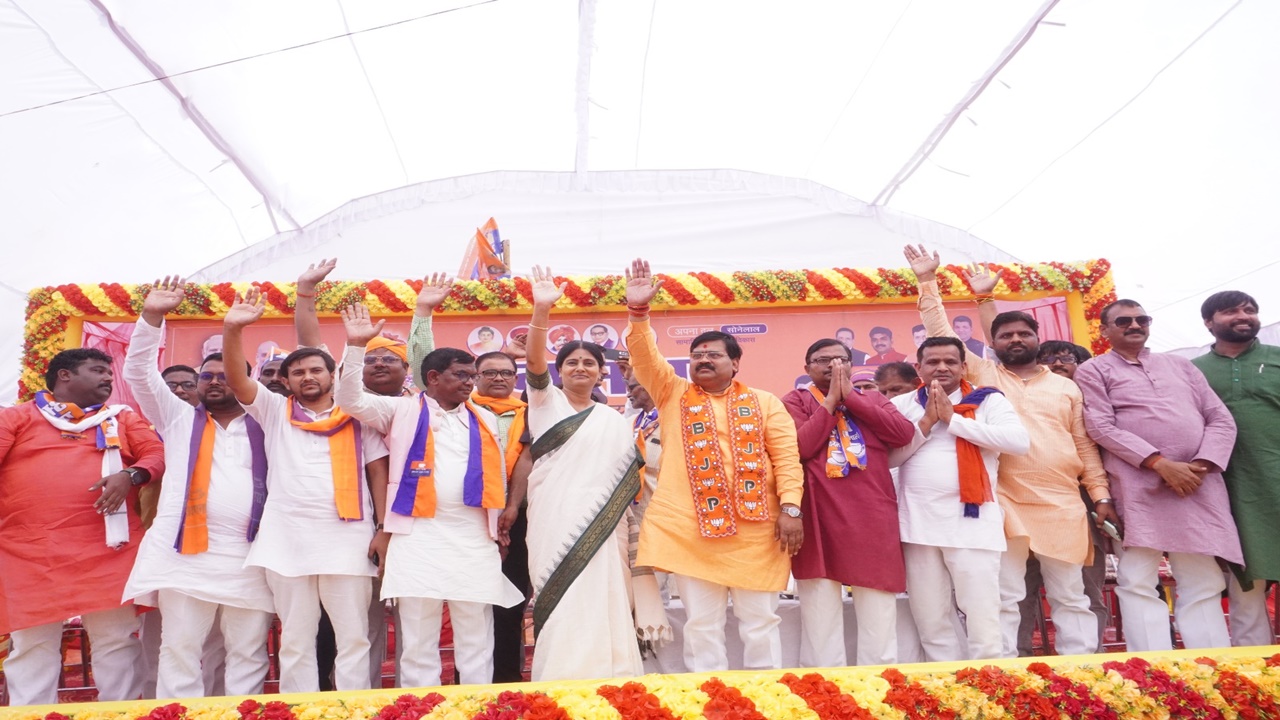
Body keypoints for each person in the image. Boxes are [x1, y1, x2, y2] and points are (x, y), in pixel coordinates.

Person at [905, 245, 1114, 658]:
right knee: (1005, 595)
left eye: (1024, 334)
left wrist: (1101, 494)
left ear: (1038, 339)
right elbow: (940, 333)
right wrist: (927, 281)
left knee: (1071, 594)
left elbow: (1084, 446)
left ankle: (1080, 671)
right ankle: (1006, 671)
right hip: (1005, 500)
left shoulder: (1066, 386)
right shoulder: (986, 375)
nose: (1016, 340)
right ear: (993, 344)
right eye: (1006, 336)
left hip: (1061, 501)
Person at [625, 258, 804, 672]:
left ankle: (767, 694)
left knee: (760, 622)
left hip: (756, 534)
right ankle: (709, 695)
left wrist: (792, 508)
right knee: (702, 624)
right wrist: (638, 312)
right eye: (696, 355)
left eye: (713, 355)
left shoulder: (765, 402)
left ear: (736, 363)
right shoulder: (672, 393)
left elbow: (786, 458)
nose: (703, 360)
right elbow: (645, 358)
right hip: (691, 533)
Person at [335, 304, 523, 687]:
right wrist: (354, 347)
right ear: (433, 378)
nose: (470, 383)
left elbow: (495, 476)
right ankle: (422, 705)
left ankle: (476, 704)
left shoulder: (484, 417)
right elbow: (350, 399)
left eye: (472, 376)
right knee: (419, 634)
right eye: (461, 375)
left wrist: (498, 528)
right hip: (418, 535)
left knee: (476, 631)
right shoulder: (400, 410)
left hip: (473, 536)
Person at [220, 287, 391, 692]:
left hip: (348, 539)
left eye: (316, 370)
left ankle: (353, 709)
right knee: (296, 638)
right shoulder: (273, 410)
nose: (308, 377)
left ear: (333, 376)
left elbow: (377, 472)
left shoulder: (357, 416)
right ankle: (300, 707)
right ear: (285, 381)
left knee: (353, 637)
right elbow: (236, 379)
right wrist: (232, 330)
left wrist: (384, 527)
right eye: (298, 372)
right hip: (287, 541)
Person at [121, 276, 274, 699]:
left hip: (251, 557)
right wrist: (152, 316)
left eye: (227, 375)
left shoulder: (269, 421)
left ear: (247, 381)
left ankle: (243, 711)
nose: (215, 381)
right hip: (184, 556)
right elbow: (138, 373)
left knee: (248, 651)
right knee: (180, 647)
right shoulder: (178, 418)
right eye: (207, 376)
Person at [1075, 299, 1242, 652]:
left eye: (1142, 319)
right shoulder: (1094, 370)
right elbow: (1100, 426)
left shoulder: (1179, 365)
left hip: (1196, 485)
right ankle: (1153, 667)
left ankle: (1211, 664)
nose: (1135, 325)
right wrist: (1160, 464)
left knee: (1202, 575)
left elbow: (1220, 419)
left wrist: (1199, 466)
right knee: (1137, 577)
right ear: (1104, 331)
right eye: (1124, 321)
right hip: (1137, 484)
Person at [0, 348, 165, 705]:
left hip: (108, 550)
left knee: (116, 640)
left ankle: (120, 714)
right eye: (98, 370)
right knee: (32, 644)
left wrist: (131, 474)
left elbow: (156, 455)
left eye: (109, 371)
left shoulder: (121, 418)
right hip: (29, 552)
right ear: (65, 375)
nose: (108, 377)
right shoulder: (17, 417)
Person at [522, 265, 646, 681]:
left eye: (589, 363)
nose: (580, 367)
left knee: (602, 592)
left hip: (605, 525)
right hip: (553, 520)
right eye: (571, 362)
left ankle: (611, 677)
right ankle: (559, 678)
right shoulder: (545, 402)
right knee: (560, 594)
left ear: (600, 371)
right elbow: (533, 359)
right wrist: (541, 310)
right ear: (558, 372)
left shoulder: (613, 420)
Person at [888, 337, 1029, 661]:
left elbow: (1018, 442)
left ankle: (989, 677)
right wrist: (926, 423)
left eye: (950, 361)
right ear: (918, 368)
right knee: (930, 613)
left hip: (973, 521)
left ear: (964, 367)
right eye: (933, 362)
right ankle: (944, 679)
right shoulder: (902, 405)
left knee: (982, 609)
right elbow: (888, 459)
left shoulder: (987, 401)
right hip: (917, 522)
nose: (942, 368)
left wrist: (953, 420)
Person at [782, 339, 916, 666]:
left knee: (877, 606)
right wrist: (830, 402)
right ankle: (823, 684)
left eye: (839, 359)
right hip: (818, 514)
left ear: (851, 365)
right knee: (819, 608)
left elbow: (902, 434)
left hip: (871, 513)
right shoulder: (795, 401)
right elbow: (800, 447)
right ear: (806, 368)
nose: (831, 365)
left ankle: (879, 681)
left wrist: (851, 398)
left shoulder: (872, 398)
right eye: (822, 360)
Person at [1190, 290, 1280, 646]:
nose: (1243, 316)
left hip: (1274, 475)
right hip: (1230, 486)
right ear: (1209, 322)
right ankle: (1253, 662)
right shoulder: (1193, 370)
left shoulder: (1277, 358)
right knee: (1245, 573)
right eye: (1231, 311)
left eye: (1250, 310)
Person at [1015, 340, 1111, 656]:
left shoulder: (1095, 401)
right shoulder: (1018, 398)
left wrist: (1101, 497)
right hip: (1020, 503)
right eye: (1047, 358)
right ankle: (1019, 662)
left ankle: (1089, 661)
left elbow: (1089, 452)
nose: (1056, 364)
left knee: (1082, 588)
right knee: (1020, 589)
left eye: (1066, 358)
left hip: (1080, 504)